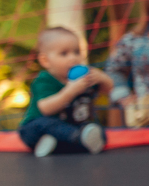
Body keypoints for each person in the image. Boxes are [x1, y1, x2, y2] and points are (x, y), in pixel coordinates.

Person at [19, 27, 114, 156]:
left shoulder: (84, 78)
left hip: (72, 127)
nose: (73, 58)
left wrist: (102, 78)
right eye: (64, 54)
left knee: (98, 132)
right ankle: (77, 139)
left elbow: (108, 90)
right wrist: (70, 91)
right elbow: (45, 108)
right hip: (40, 126)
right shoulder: (44, 80)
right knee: (40, 127)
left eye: (76, 52)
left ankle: (60, 144)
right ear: (45, 60)